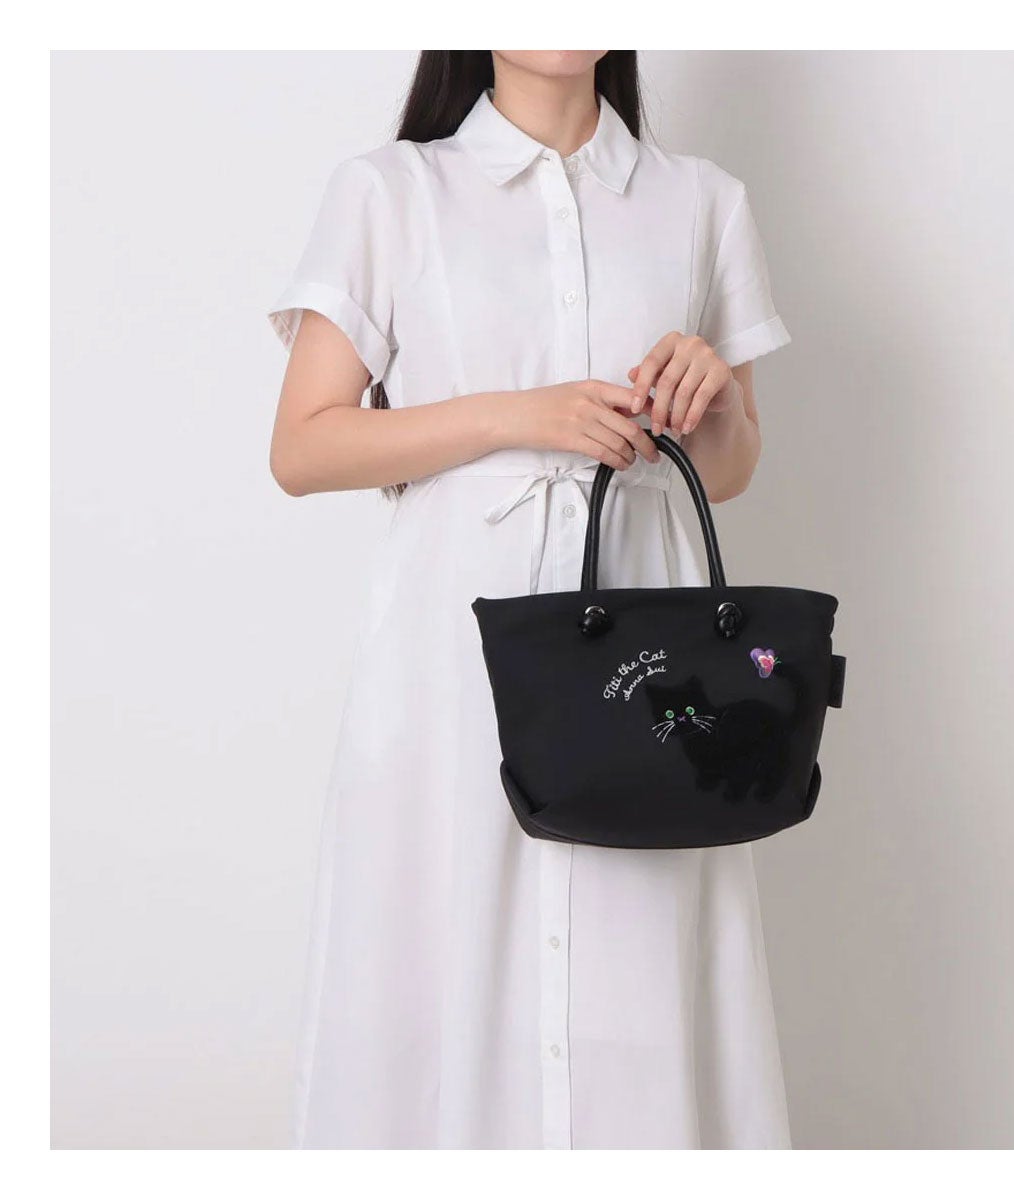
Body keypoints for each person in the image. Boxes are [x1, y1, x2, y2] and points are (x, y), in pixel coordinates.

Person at [267, 50, 793, 1150]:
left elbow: (733, 467)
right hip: (452, 649)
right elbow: (304, 447)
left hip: (646, 655)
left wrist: (707, 403)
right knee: (445, 941)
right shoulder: (391, 192)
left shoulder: (703, 202)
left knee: (636, 947)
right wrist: (517, 414)